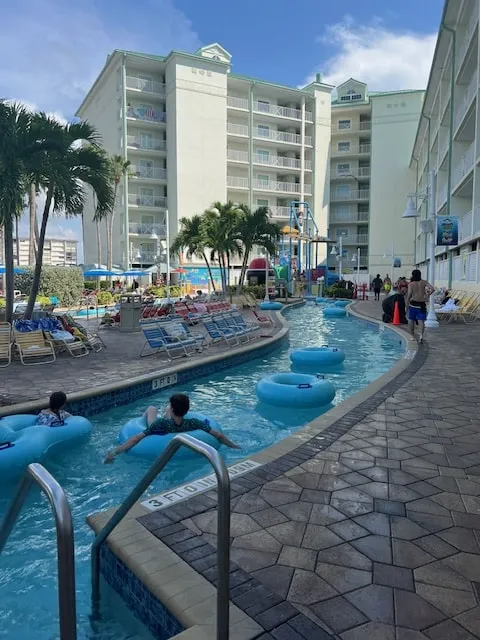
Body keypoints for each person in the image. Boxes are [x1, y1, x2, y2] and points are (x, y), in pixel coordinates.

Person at [104, 393, 240, 462]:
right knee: (168, 412)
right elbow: (219, 436)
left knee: (151, 408)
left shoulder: (160, 424)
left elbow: (135, 439)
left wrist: (114, 452)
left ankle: (159, 411)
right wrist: (234, 446)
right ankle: (169, 410)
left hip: (161, 431)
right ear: (187, 410)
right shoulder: (193, 423)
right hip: (178, 426)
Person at [405, 269, 435, 344]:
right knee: (421, 321)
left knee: (411, 320)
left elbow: (408, 296)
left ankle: (412, 336)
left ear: (413, 275)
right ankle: (421, 336)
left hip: (413, 304)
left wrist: (406, 306)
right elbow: (433, 289)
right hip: (422, 304)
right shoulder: (424, 282)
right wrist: (428, 295)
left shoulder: (411, 284)